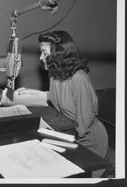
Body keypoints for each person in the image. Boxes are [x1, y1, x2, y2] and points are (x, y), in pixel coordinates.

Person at [16, 30, 108, 160]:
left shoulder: (78, 78)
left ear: (59, 54)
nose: (41, 58)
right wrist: (31, 92)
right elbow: (55, 96)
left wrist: (57, 140)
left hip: (87, 140)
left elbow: (83, 125)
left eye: (45, 53)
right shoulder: (54, 73)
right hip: (68, 131)